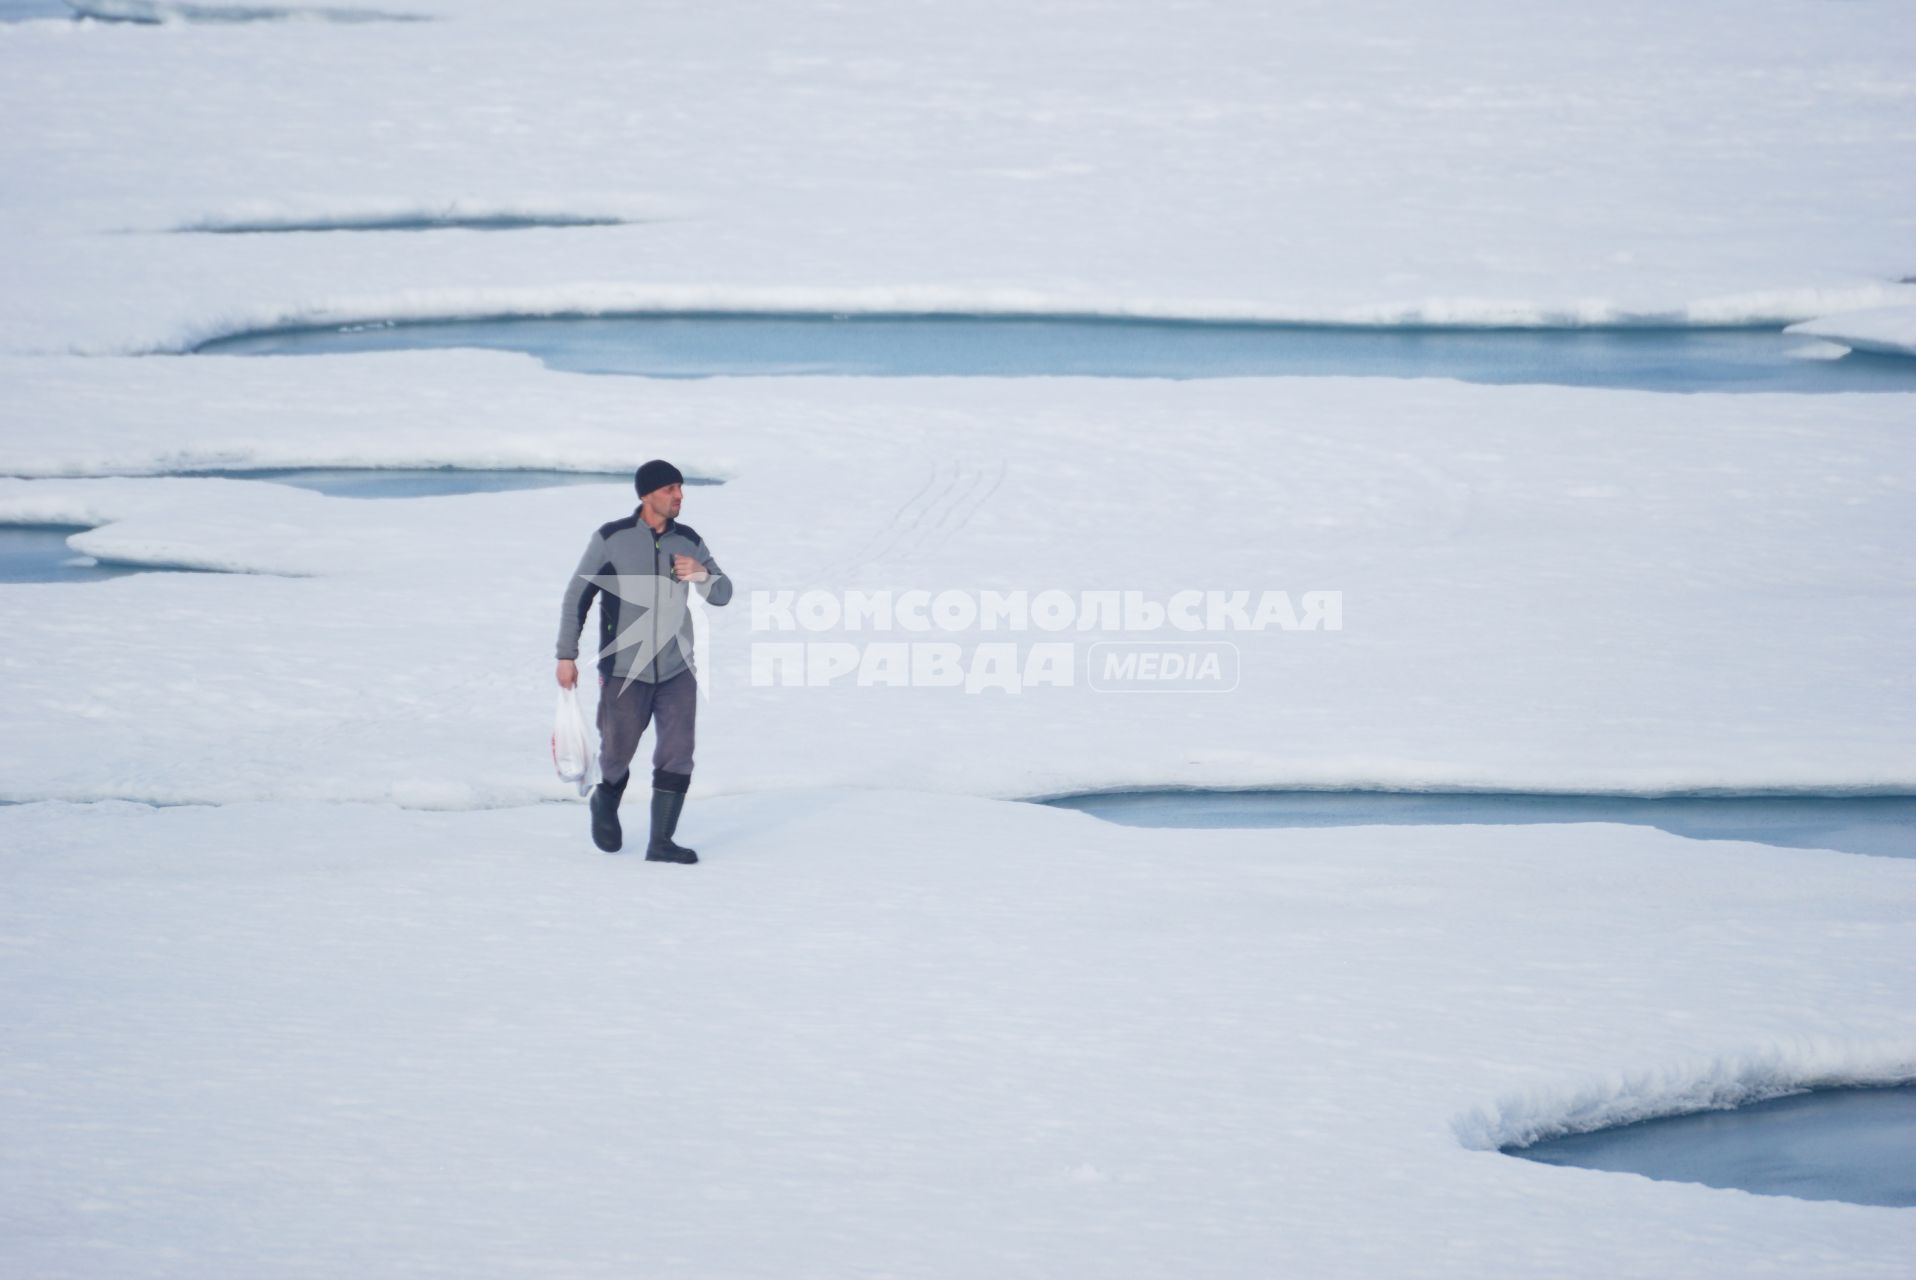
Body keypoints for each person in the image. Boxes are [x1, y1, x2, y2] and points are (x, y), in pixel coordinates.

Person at [555, 459, 733, 861]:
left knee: (679, 752)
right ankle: (606, 798)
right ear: (647, 494)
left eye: (681, 488)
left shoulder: (688, 540)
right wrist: (567, 655)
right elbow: (577, 598)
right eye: (670, 489)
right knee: (617, 753)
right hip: (623, 671)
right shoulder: (611, 539)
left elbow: (723, 594)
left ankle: (662, 842)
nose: (679, 496)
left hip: (677, 669)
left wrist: (703, 575)